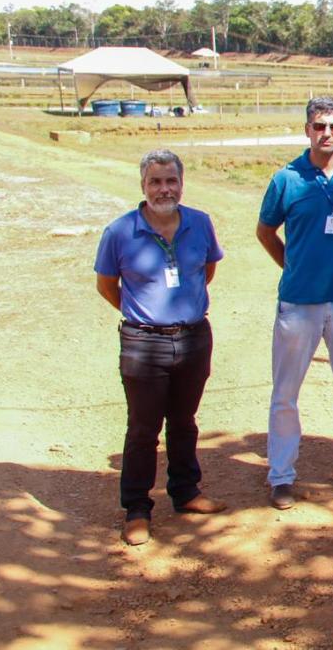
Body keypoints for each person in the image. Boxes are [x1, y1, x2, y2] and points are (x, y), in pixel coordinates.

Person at [94, 150, 226, 546]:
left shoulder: (200, 223)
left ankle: (186, 492)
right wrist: (143, 314)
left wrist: (180, 310)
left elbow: (207, 271)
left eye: (171, 181)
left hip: (193, 336)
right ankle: (136, 508)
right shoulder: (119, 232)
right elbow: (106, 285)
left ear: (181, 184)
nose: (164, 188)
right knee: (143, 428)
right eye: (156, 181)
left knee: (184, 421)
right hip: (142, 341)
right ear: (143, 186)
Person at [256, 96, 333, 509]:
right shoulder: (287, 178)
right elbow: (265, 231)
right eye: (319, 126)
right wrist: (293, 266)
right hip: (298, 302)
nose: (326, 133)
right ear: (306, 129)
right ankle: (281, 476)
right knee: (285, 392)